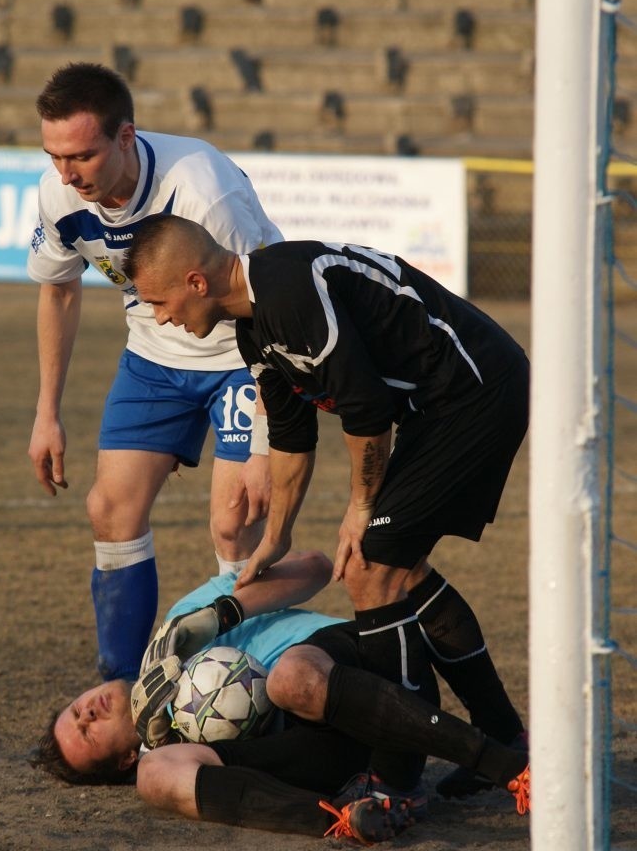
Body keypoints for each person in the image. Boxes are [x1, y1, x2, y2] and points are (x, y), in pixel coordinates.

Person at [121, 214, 530, 797]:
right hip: (440, 408)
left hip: (477, 391)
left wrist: (361, 506)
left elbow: (367, 411)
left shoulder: (289, 286)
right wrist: (276, 538)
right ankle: (501, 736)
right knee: (400, 568)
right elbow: (292, 438)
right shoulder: (253, 329)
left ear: (196, 282)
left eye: (160, 302)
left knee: (372, 564)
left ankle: (397, 768)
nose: (161, 317)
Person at [26, 62, 283, 685]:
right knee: (108, 509)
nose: (66, 173)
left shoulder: (203, 191)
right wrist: (47, 412)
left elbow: (273, 306)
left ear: (124, 137)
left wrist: (267, 438)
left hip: (242, 355)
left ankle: (242, 682)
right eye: (54, 156)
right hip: (154, 355)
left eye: (81, 155)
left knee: (234, 518)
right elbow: (59, 292)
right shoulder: (59, 193)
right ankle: (121, 687)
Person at [30, 555, 530, 845]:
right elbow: (164, 769)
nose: (87, 711)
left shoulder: (180, 621)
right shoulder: (160, 748)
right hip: (355, 763)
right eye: (87, 732)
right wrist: (160, 744)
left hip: (364, 668)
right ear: (120, 757)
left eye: (76, 709)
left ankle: (506, 763)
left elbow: (316, 567)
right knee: (156, 776)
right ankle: (341, 819)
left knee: (288, 679)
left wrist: (223, 613)